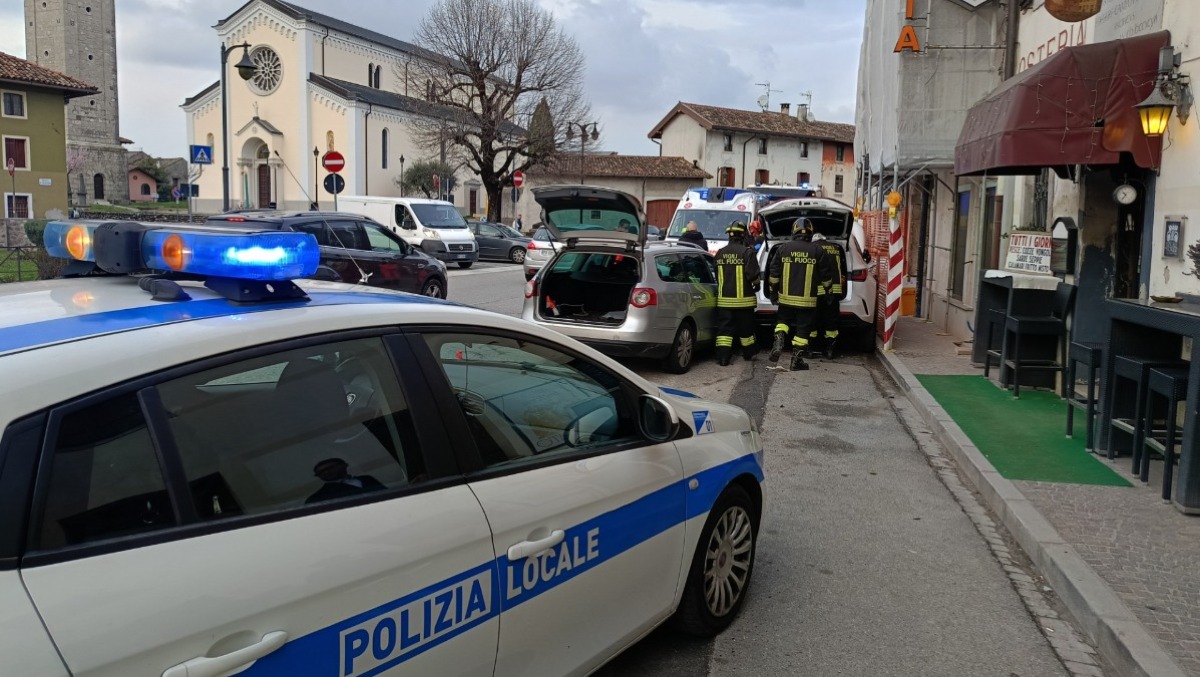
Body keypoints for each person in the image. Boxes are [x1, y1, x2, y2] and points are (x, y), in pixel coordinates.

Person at [767, 218, 836, 371]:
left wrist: (773, 293)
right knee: (803, 331)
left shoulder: (783, 249)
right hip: (807, 301)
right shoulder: (818, 250)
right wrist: (829, 294)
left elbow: (773, 275)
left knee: (782, 322)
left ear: (794, 231)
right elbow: (826, 277)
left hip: (785, 298)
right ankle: (796, 361)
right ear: (810, 232)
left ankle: (778, 342)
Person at [714, 221, 761, 366]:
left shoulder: (720, 253)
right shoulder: (747, 253)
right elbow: (753, 275)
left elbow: (716, 274)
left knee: (724, 332)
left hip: (724, 301)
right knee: (746, 330)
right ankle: (749, 353)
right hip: (744, 302)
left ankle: (723, 358)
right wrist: (757, 285)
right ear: (743, 235)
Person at [811, 232, 848, 359]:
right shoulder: (835, 248)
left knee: (813, 320)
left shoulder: (814, 249)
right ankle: (830, 349)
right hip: (834, 291)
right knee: (831, 321)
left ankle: (811, 348)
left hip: (818, 291)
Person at [305, 457, 385, 504]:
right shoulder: (317, 498)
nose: (327, 472)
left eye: (330, 468)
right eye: (321, 472)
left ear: (344, 465)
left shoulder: (366, 479)